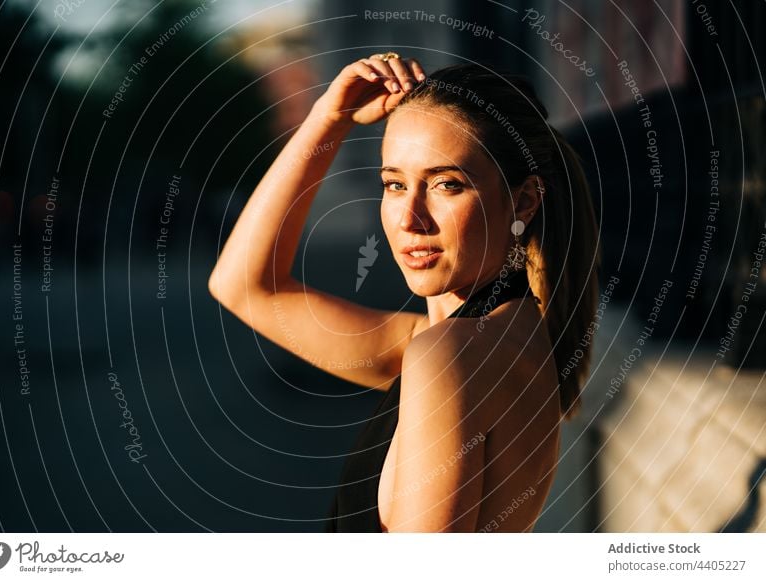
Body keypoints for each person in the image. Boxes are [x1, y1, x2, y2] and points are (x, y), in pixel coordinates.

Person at [208, 53, 599, 532]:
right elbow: (245, 288)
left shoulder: (452, 354)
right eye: (393, 184)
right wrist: (327, 117)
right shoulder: (482, 343)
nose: (410, 219)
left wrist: (326, 123)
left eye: (446, 184)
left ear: (522, 200)